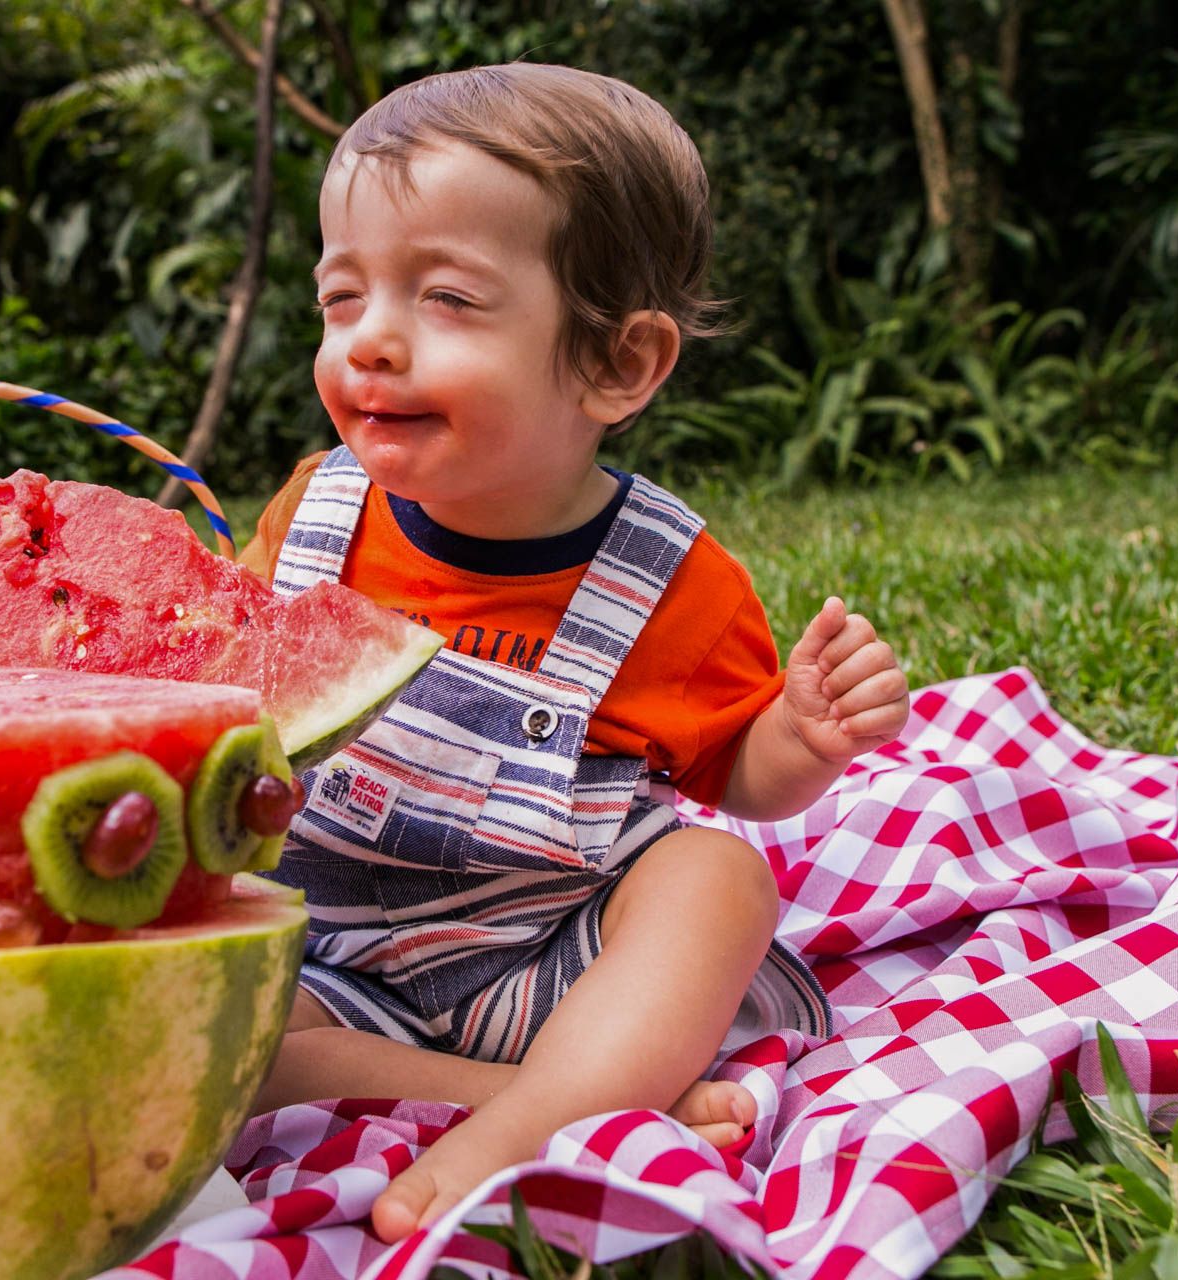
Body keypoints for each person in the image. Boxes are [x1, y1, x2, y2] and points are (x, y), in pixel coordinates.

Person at [234, 63, 912, 1244]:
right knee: (224, 1047)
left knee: (718, 874)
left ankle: (538, 1107)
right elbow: (222, 679)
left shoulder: (672, 581)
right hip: (328, 958)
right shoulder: (313, 516)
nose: (370, 341)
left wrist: (802, 734)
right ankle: (546, 1103)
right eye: (342, 298)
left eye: (447, 298)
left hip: (556, 960)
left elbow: (738, 776)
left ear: (618, 363)